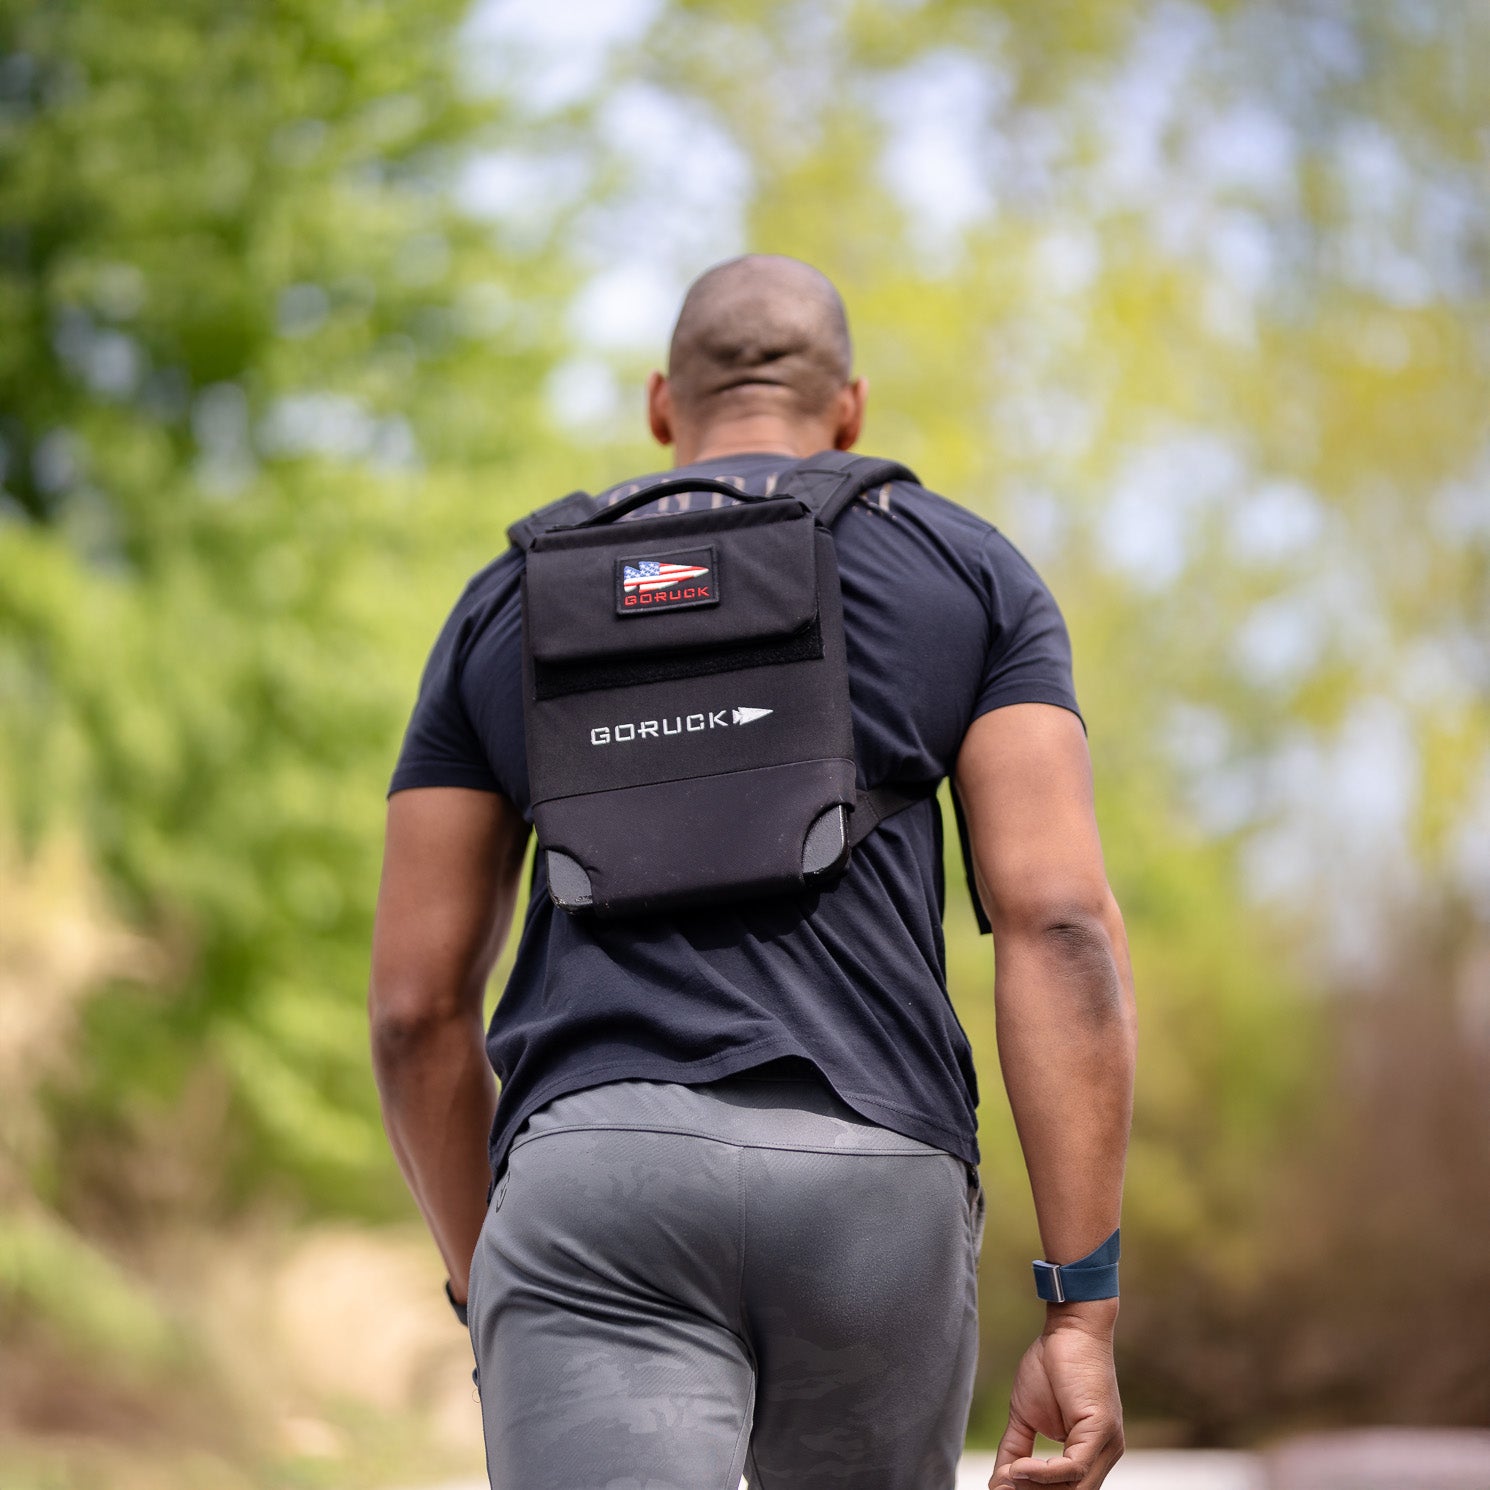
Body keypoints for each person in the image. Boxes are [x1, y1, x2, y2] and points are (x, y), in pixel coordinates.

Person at [369, 254, 1136, 1490]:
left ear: (661, 405)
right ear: (849, 408)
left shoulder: (507, 601)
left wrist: (490, 1275)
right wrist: (1078, 1309)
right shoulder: (963, 572)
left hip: (593, 1184)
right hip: (872, 1186)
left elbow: (412, 1010)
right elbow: (1058, 926)